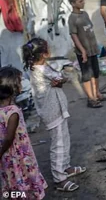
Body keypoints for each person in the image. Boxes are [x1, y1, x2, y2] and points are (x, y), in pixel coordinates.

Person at [22, 38, 86, 192]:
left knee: (64, 140)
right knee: (58, 144)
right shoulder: (42, 69)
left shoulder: (38, 66)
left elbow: (57, 81)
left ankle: (65, 167)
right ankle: (59, 178)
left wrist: (59, 80)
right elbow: (61, 78)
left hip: (57, 109)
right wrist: (65, 74)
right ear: (44, 54)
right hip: (52, 112)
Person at [0, 66, 48, 199]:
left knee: (12, 179)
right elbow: (9, 138)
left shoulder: (2, 110)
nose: (22, 84)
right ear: (14, 87)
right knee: (23, 178)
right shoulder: (13, 112)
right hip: (18, 156)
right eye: (20, 82)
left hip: (6, 157)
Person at [68, 0, 106, 108]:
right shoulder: (72, 18)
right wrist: (82, 50)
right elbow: (74, 36)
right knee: (86, 75)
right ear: (72, 3)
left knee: (95, 73)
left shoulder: (85, 14)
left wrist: (96, 47)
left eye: (83, 0)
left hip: (92, 49)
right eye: (80, 1)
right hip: (83, 52)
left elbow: (89, 31)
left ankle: (97, 94)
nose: (83, 2)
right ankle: (91, 99)